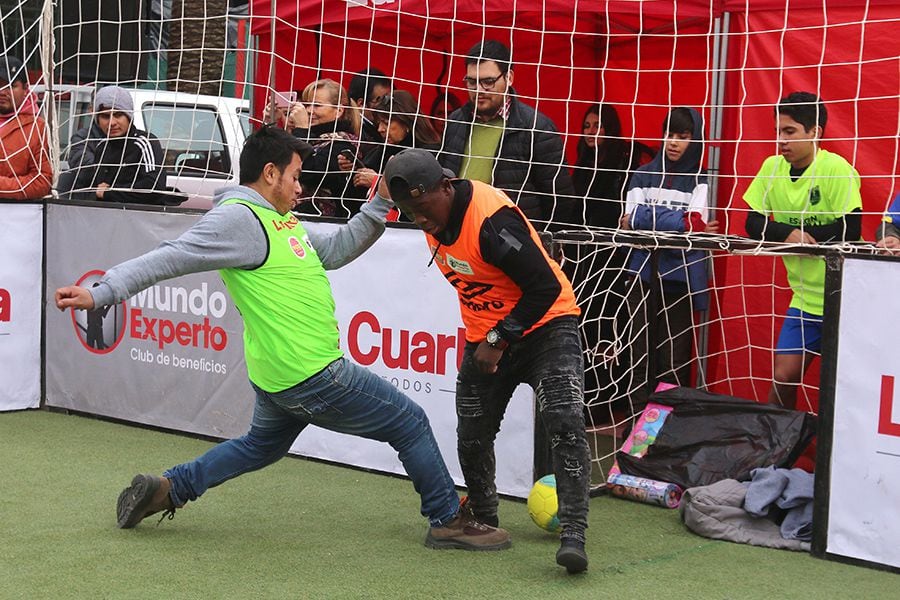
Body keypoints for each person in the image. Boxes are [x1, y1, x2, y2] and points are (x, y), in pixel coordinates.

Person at [54, 126, 510, 552]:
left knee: (259, 446)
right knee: (409, 422)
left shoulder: (278, 220)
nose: (300, 188)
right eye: (295, 177)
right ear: (269, 174)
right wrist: (102, 292)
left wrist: (379, 203)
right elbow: (169, 258)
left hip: (279, 377)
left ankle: (170, 489)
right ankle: (447, 518)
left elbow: (335, 250)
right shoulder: (237, 219)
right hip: (312, 373)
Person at [382, 148, 592, 574]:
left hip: (547, 327)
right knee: (472, 431)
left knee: (564, 420)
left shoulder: (492, 220)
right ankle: (482, 516)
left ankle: (574, 531)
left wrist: (498, 338)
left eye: (423, 209)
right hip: (486, 335)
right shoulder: (430, 212)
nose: (419, 220)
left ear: (447, 186)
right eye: (408, 213)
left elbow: (544, 287)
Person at [744, 91, 862, 409]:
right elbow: (752, 222)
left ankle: (832, 454)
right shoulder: (772, 168)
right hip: (805, 300)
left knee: (841, 388)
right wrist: (788, 233)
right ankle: (780, 446)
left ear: (815, 133)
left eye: (790, 131)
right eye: (778, 132)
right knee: (783, 375)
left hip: (844, 300)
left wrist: (807, 238)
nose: (781, 140)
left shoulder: (837, 170)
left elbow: (852, 230)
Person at [619, 107, 719, 390]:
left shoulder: (701, 180)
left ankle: (664, 428)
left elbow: (696, 223)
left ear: (695, 139)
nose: (673, 142)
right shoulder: (642, 174)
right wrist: (681, 221)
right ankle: (636, 426)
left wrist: (648, 219)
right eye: (668, 134)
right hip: (641, 275)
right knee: (639, 355)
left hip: (680, 279)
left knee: (672, 362)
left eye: (682, 136)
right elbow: (630, 221)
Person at [438, 40, 576, 229]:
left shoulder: (537, 127)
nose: (479, 90)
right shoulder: (455, 122)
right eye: (471, 81)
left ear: (509, 77)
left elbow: (560, 200)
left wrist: (533, 244)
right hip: (461, 236)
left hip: (514, 243)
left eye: (488, 82)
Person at [61, 85, 167, 204]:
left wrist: (110, 192)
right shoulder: (101, 147)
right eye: (105, 116)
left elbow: (154, 187)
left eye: (118, 115)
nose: (112, 123)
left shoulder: (145, 143)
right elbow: (99, 188)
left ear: (129, 116)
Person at [286, 79, 363, 217]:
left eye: (317, 105)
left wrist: (302, 131)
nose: (309, 111)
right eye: (307, 105)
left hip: (327, 223)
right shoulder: (314, 138)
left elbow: (306, 171)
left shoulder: (344, 144)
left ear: (338, 110)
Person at [339, 90, 441, 194]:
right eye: (378, 123)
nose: (380, 129)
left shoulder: (429, 153)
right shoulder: (380, 152)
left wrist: (377, 182)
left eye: (386, 123)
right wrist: (352, 171)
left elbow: (420, 193)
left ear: (406, 122)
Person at [573, 103, 650, 229]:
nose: (591, 132)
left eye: (598, 126)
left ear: (609, 128)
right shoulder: (583, 163)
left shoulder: (625, 160)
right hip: (582, 236)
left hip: (613, 233)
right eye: (586, 126)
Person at [0, 54, 51, 200]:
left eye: (11, 86)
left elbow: (42, 181)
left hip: (16, 216)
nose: (3, 92)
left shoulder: (38, 127)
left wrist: (2, 186)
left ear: (25, 89)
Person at [346, 67, 392, 147]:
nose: (388, 105)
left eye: (389, 99)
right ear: (361, 104)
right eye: (381, 100)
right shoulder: (353, 132)